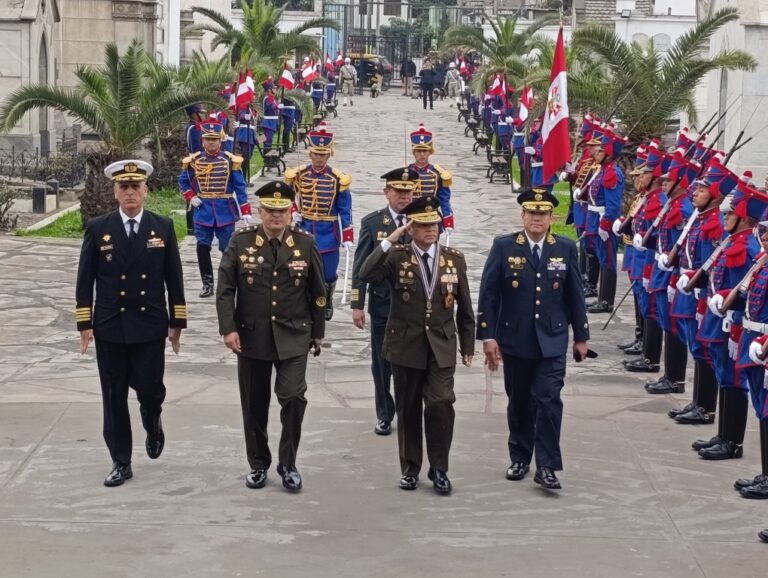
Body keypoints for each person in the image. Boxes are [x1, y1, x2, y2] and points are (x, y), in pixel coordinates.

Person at [75, 160, 187, 487]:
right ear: (115, 192)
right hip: (111, 324)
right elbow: (85, 280)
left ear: (145, 191)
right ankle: (120, 460)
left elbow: (173, 278)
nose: (129, 193)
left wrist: (177, 322)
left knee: (151, 391)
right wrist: (85, 324)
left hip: (149, 324)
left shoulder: (161, 227)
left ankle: (152, 420)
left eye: (135, 186)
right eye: (123, 187)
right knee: (113, 396)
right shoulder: (99, 228)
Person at [359, 195, 475, 494]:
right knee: (408, 408)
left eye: (434, 224)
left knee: (440, 403)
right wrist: (389, 241)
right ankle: (410, 468)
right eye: (423, 225)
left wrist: (468, 345)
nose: (431, 229)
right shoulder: (397, 256)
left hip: (441, 346)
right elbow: (366, 273)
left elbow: (465, 307)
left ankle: (439, 468)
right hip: (406, 344)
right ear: (410, 228)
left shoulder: (453, 258)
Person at [216, 181, 326, 492]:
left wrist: (317, 332)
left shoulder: (305, 243)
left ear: (291, 212)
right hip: (252, 336)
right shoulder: (241, 242)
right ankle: (258, 463)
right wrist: (228, 328)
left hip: (294, 335)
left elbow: (319, 292)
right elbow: (225, 289)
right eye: (270, 210)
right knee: (254, 404)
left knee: (293, 396)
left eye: (282, 210)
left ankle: (288, 463)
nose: (276, 216)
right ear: (259, 211)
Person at [477, 188, 590, 490]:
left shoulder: (565, 248)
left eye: (543, 214)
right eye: (532, 213)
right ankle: (520, 457)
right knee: (520, 402)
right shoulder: (504, 246)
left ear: (552, 217)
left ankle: (548, 466)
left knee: (549, 399)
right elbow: (489, 294)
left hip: (552, 339)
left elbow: (575, 295)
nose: (537, 218)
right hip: (515, 339)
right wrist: (488, 336)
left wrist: (581, 336)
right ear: (522, 215)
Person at [351, 167, 419, 436]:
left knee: (410, 362)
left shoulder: (421, 221)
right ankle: (384, 413)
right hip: (383, 304)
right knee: (381, 364)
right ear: (387, 192)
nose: (405, 197)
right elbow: (360, 266)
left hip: (412, 306)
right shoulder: (373, 223)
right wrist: (357, 304)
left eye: (409, 192)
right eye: (399, 191)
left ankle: (407, 411)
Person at [285, 123, 353, 320]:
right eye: (316, 154)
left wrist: (347, 235)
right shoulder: (299, 175)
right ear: (310, 154)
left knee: (329, 273)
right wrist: (294, 212)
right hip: (305, 228)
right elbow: (289, 197)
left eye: (323, 154)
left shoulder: (337, 179)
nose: (319, 158)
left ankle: (327, 300)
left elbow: (345, 209)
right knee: (301, 268)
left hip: (329, 231)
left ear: (329, 155)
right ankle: (304, 301)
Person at [179, 118, 252, 298]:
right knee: (202, 247)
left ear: (220, 140)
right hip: (203, 210)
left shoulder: (230, 160)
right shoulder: (194, 161)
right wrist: (191, 196)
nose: (211, 142)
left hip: (225, 211)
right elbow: (183, 181)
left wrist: (245, 210)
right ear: (202, 140)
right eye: (208, 139)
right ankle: (207, 283)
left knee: (227, 249)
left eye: (214, 139)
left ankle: (227, 283)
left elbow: (240, 186)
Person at [408, 123, 454, 231]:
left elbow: (444, 200)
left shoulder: (438, 173)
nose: (422, 154)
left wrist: (448, 222)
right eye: (419, 151)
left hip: (432, 217)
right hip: (410, 218)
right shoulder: (406, 172)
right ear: (414, 153)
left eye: (425, 151)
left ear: (430, 152)